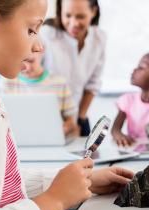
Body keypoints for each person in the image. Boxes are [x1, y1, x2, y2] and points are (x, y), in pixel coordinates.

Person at [0, 0, 133, 210]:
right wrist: (55, 199)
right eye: (31, 30)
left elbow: (0, 181)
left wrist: (77, 182)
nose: (39, 47)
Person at [41, 0, 105, 136]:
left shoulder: (99, 38)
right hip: (48, 118)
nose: (74, 23)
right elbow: (31, 76)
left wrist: (79, 119)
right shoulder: (46, 35)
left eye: (80, 16)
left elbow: (93, 84)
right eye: (68, 15)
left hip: (79, 118)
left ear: (93, 11)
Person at [1, 49, 79, 138]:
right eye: (22, 61)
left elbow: (72, 123)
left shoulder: (59, 83)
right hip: (18, 142)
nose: (27, 67)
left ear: (41, 53)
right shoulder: (7, 83)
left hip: (51, 141)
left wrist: (61, 131)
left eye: (31, 61)